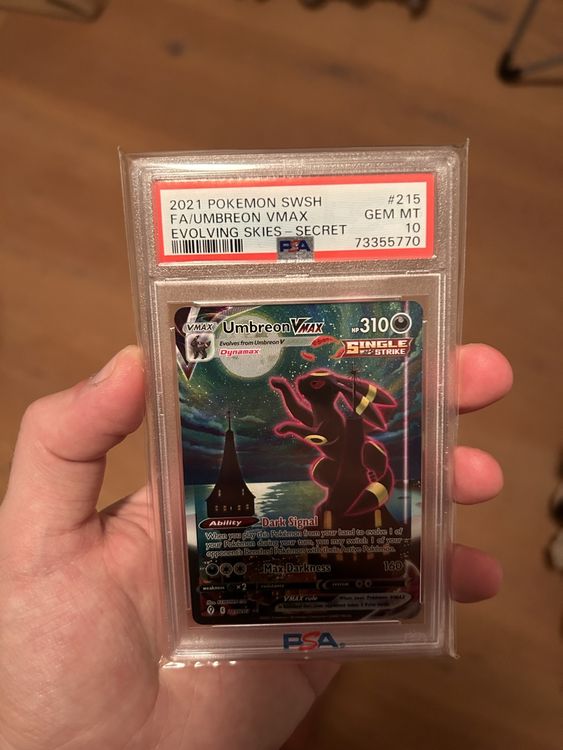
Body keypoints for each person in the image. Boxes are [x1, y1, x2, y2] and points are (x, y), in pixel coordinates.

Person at [0, 343, 512, 750]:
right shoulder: (324, 409)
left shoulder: (340, 415)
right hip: (331, 487)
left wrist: (321, 418)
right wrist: (293, 402)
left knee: (344, 510)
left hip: (345, 470)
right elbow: (309, 419)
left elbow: (330, 426)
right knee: (338, 515)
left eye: (310, 386)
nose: (306, 391)